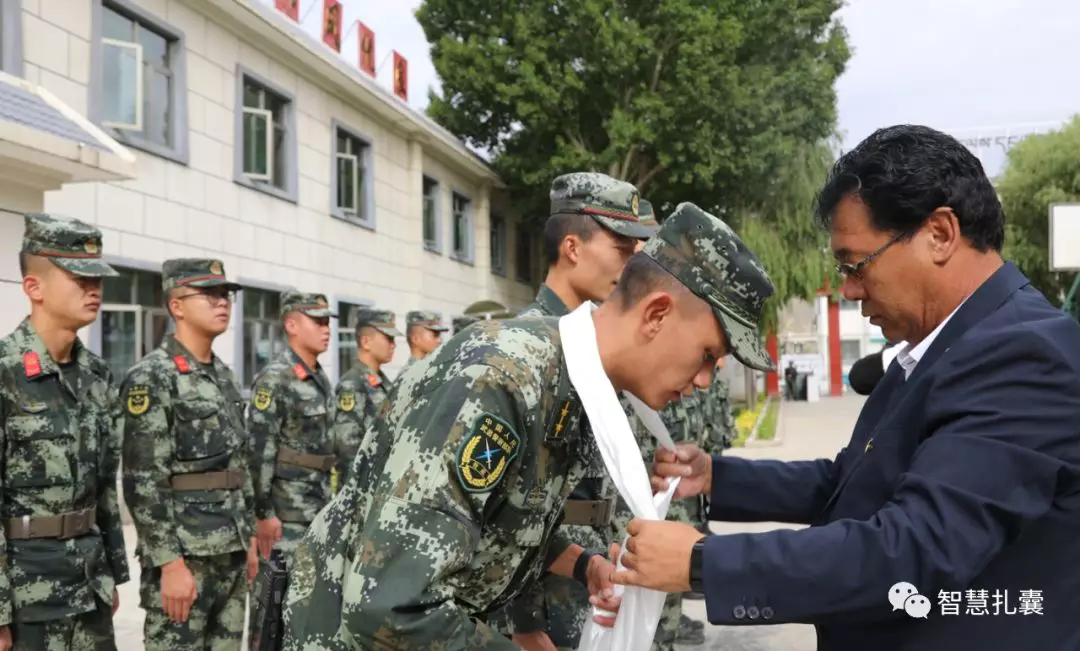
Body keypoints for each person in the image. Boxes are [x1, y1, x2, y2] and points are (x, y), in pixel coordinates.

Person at [616, 125, 1080, 651]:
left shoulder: (1025, 355)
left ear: (940, 234)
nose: (850, 290)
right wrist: (717, 478)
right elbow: (851, 483)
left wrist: (703, 563)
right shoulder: (937, 347)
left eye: (856, 265)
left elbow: (914, 547)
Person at [280, 201, 774, 650]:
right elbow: (390, 604)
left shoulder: (574, 381)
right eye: (708, 355)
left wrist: (586, 565)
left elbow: (498, 518)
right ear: (656, 315)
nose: (707, 380)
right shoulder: (503, 378)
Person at [501, 172, 654, 651]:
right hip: (544, 598)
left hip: (588, 572)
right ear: (572, 247)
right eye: (622, 249)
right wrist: (524, 624)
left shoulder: (586, 342)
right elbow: (500, 508)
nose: (632, 265)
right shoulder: (526, 348)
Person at [0, 214, 129, 650]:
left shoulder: (96, 375)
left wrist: (111, 571)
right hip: (26, 596)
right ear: (34, 288)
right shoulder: (5, 373)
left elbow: (104, 488)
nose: (94, 289)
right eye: (79, 278)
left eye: (98, 279)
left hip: (89, 586)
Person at [119, 258, 256, 651]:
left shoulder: (223, 375)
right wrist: (170, 564)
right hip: (187, 557)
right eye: (209, 294)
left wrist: (245, 541)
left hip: (229, 552)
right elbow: (143, 479)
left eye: (226, 294)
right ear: (176, 305)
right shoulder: (153, 376)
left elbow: (237, 466)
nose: (222, 302)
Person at [246, 292, 342, 642]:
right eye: (316, 321)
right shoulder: (276, 378)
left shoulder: (319, 378)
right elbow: (259, 450)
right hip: (284, 519)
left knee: (305, 614)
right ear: (291, 324)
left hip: (316, 513)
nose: (326, 329)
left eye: (327, 321)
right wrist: (263, 513)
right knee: (271, 612)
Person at [328, 307, 400, 487]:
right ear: (366, 342)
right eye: (388, 338)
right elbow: (348, 449)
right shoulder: (352, 385)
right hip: (363, 488)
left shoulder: (383, 382)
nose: (393, 344)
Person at [398, 310, 448, 377]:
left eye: (439, 335)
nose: (439, 340)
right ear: (415, 339)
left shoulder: (432, 368)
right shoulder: (409, 375)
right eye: (435, 335)